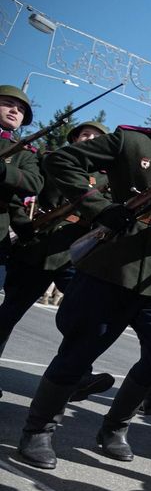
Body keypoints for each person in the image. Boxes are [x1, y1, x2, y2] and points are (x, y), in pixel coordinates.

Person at [19, 80, 151, 481]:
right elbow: (60, 162)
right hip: (111, 267)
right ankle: (38, 429)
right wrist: (99, 207)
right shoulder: (129, 142)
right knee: (79, 351)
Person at [1, 121, 114, 407]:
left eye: (96, 139)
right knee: (8, 315)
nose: (89, 140)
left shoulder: (105, 177)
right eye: (85, 135)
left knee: (83, 316)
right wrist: (21, 221)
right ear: (75, 137)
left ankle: (77, 376)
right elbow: (19, 194)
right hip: (36, 248)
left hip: (74, 253)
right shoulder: (51, 160)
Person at [0, 84, 45, 399]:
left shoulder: (25, 154)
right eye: (7, 104)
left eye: (20, 109)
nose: (14, 111)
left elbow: (33, 182)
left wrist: (3, 169)